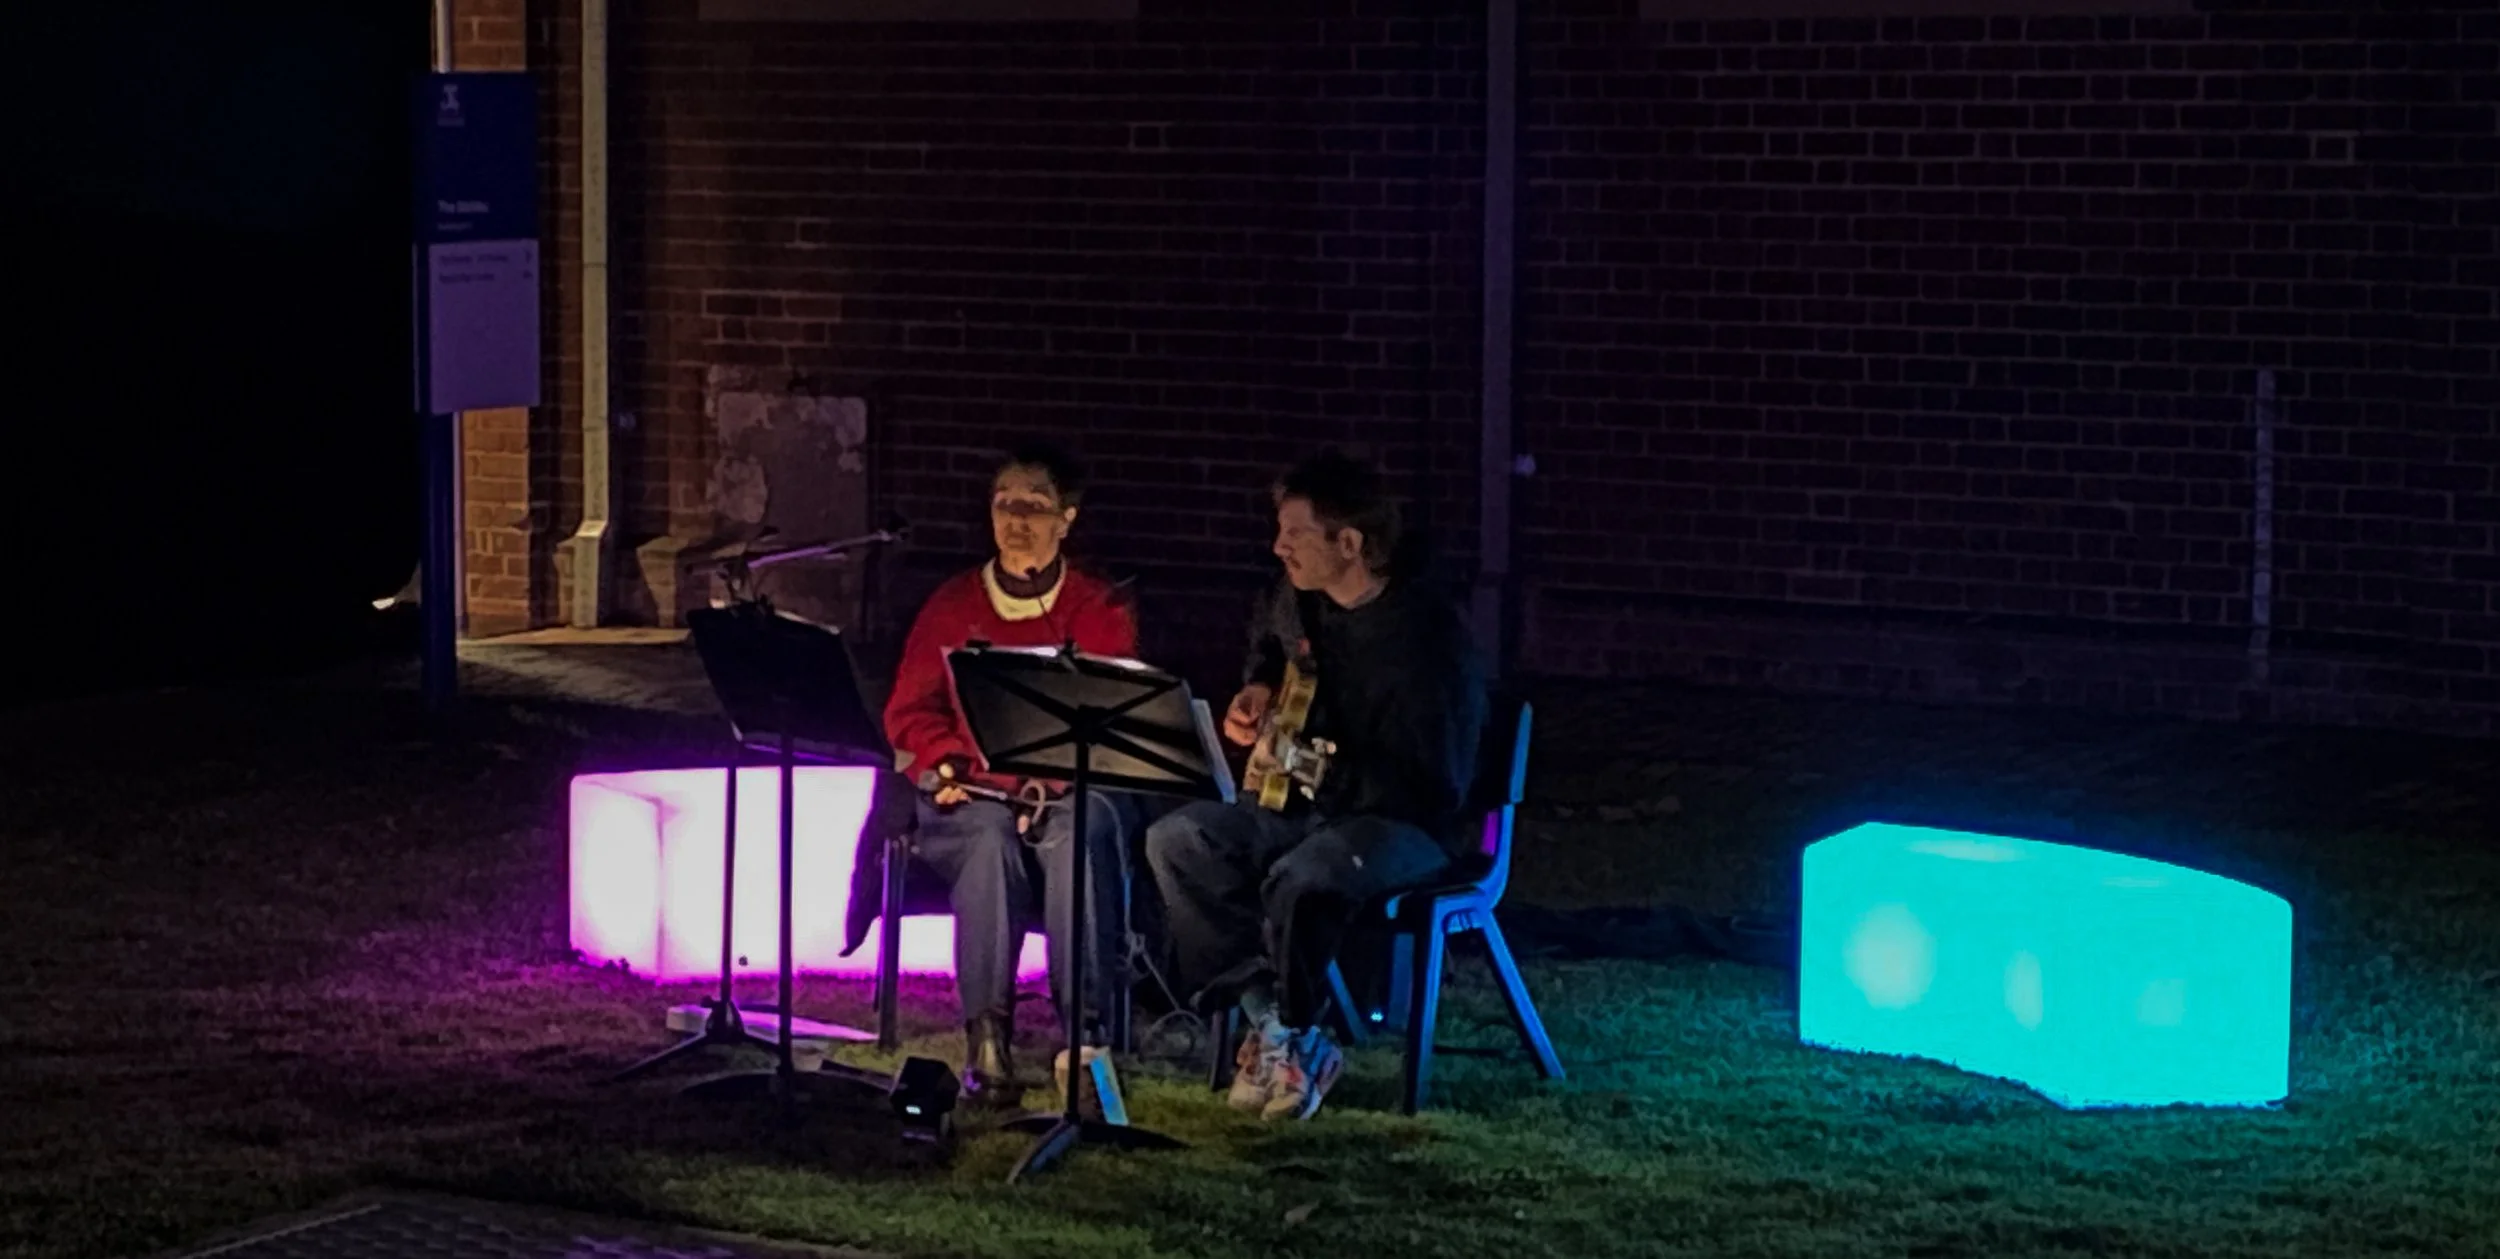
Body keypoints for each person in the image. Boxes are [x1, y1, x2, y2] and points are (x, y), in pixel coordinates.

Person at [1144, 450, 1487, 1121]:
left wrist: (1320, 767)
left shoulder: (1428, 641)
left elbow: (1431, 782)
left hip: (1401, 823)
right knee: (1178, 841)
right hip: (1298, 804)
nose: (1280, 547)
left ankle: (1301, 1036)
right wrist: (1259, 686)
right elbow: (1273, 636)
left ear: (1349, 543)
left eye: (1296, 534)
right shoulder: (1298, 596)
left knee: (1303, 877)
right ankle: (1270, 1021)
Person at [878, 442, 1138, 1101]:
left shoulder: (1097, 607)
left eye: (1035, 505)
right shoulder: (952, 604)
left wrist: (1041, 787)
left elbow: (1107, 718)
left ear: (1067, 519)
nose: (1017, 519)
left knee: (1078, 833)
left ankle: (1086, 1036)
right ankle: (987, 1037)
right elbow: (909, 711)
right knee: (989, 839)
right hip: (969, 792)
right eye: (1004, 504)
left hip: (1063, 792)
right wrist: (956, 766)